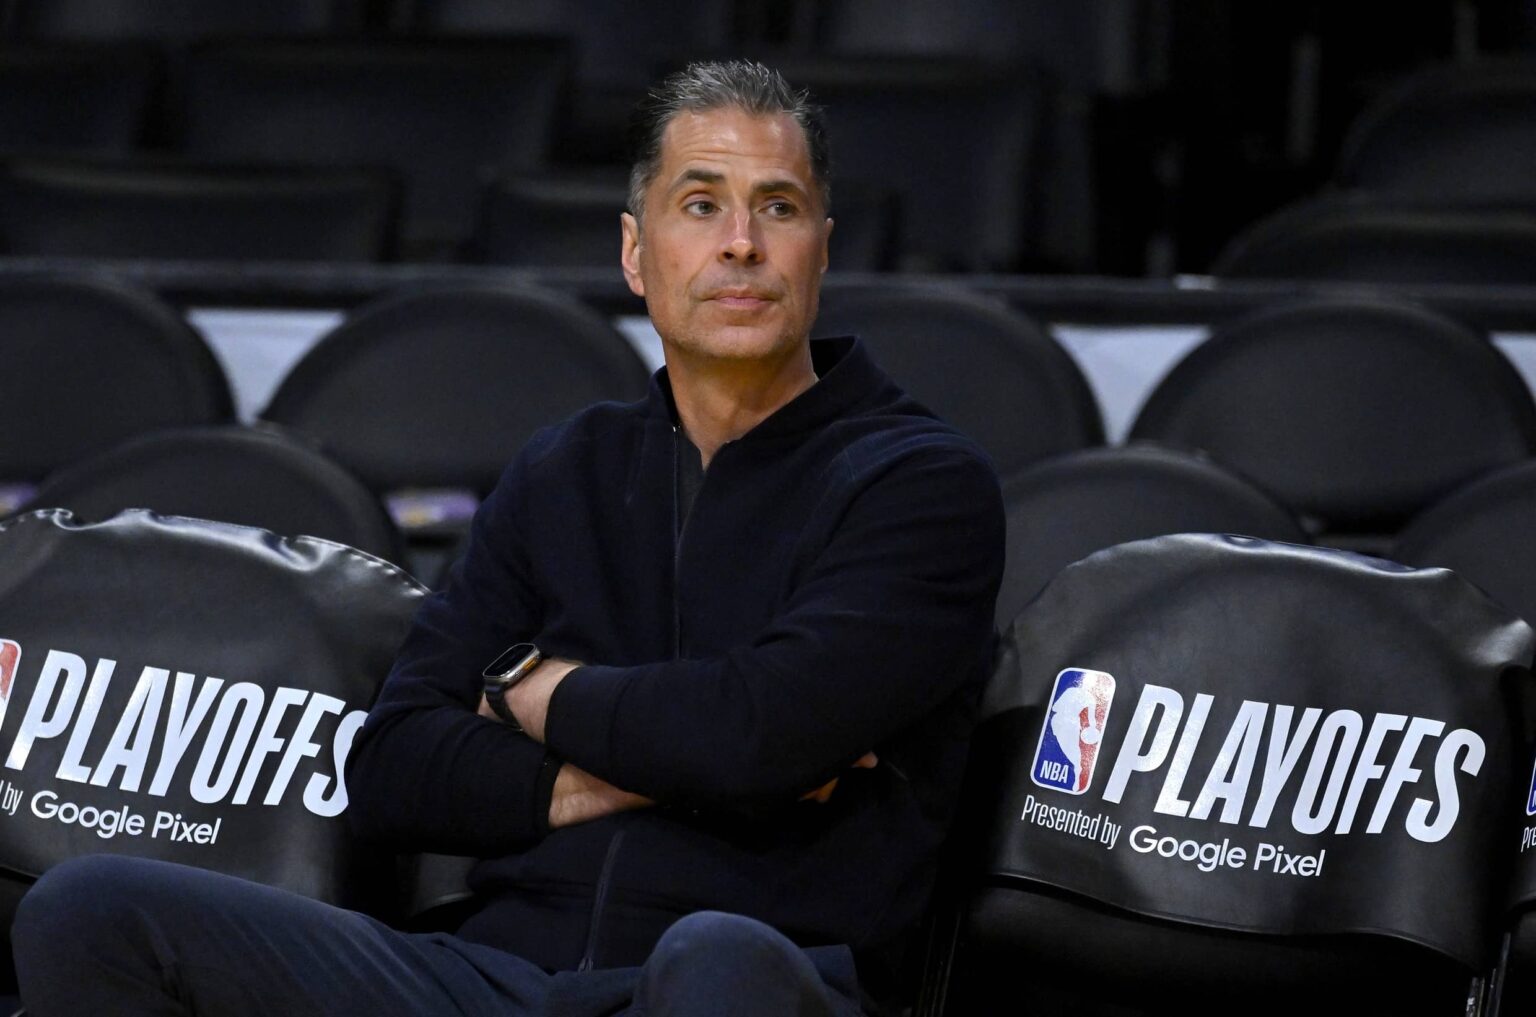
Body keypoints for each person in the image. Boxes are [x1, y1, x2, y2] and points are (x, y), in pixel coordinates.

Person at [11, 60, 1003, 1017]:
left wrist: (528, 691)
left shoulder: (918, 485)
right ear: (634, 251)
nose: (740, 243)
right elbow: (393, 767)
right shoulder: (564, 468)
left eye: (777, 208)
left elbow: (750, 737)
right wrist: (660, 763)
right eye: (700, 205)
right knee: (92, 912)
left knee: (713, 955)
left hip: (747, 976)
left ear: (821, 249)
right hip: (488, 975)